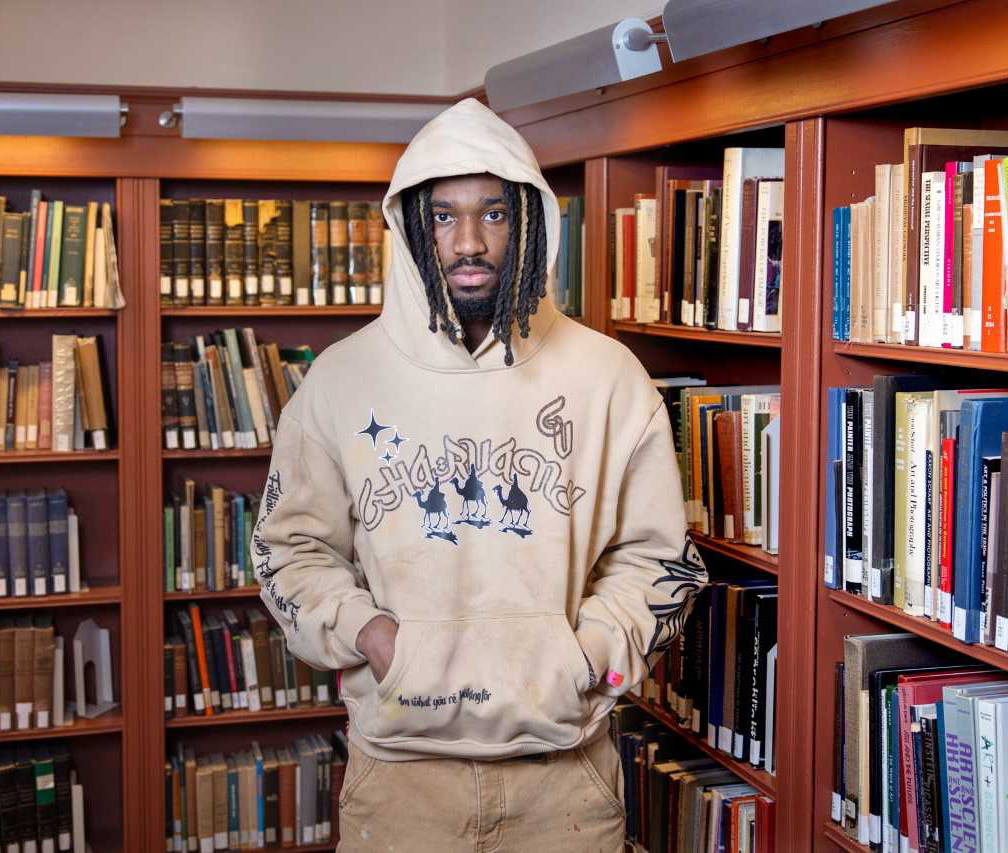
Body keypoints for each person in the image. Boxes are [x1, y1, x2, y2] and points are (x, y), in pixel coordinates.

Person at [253, 98, 707, 851]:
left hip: (565, 778)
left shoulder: (608, 376)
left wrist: (590, 660)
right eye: (443, 216)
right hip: (400, 782)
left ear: (529, 222)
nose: (469, 242)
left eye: (494, 214)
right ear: (411, 226)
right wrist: (370, 635)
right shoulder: (339, 380)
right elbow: (288, 551)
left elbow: (659, 559)